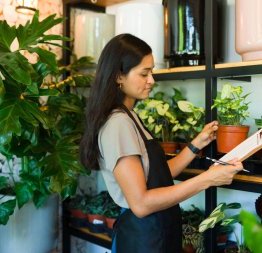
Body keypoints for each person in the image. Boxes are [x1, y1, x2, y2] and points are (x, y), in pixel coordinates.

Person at [79, 33, 243, 253]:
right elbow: (141, 203)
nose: (152, 81)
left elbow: (156, 175)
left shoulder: (129, 116)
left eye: (151, 72)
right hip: (144, 239)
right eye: (144, 73)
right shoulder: (118, 123)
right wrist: (208, 179)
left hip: (157, 234)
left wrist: (195, 145)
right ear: (119, 77)